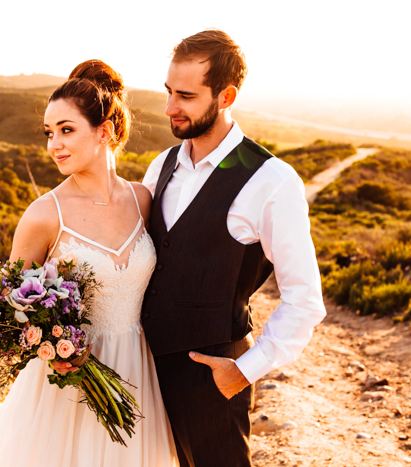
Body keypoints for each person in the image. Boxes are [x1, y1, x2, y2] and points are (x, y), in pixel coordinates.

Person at [0, 60, 178, 466]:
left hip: (138, 370)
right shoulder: (44, 216)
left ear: (106, 130)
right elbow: (14, 312)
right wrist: (51, 349)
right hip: (70, 384)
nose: (54, 145)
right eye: (49, 133)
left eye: (66, 130)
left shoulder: (142, 200)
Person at [141, 29, 327, 467]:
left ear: (226, 96)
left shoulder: (272, 180)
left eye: (185, 96)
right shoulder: (160, 165)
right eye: (168, 92)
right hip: (142, 373)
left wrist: (243, 370)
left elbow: (305, 300)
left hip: (212, 378)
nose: (170, 108)